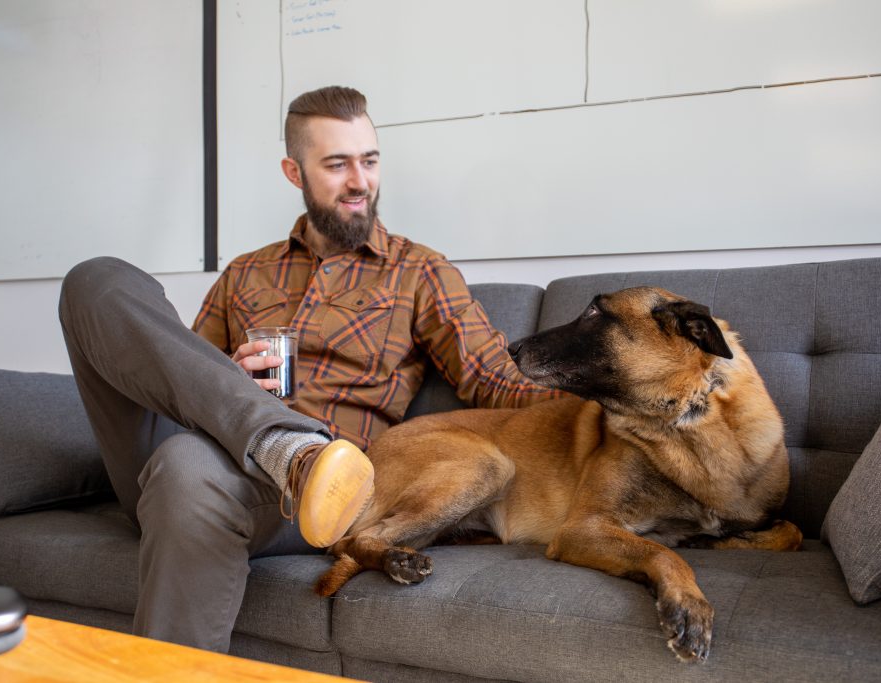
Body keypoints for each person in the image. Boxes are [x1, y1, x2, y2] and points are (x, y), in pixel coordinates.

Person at [57, 85, 557, 652]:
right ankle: (277, 441)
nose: (360, 181)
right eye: (337, 164)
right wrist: (227, 374)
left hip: (313, 495)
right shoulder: (243, 274)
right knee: (95, 278)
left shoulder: (418, 272)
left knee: (187, 464)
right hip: (194, 446)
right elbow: (173, 380)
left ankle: (295, 456)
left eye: (369, 161)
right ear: (294, 172)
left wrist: (610, 401)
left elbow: (493, 378)